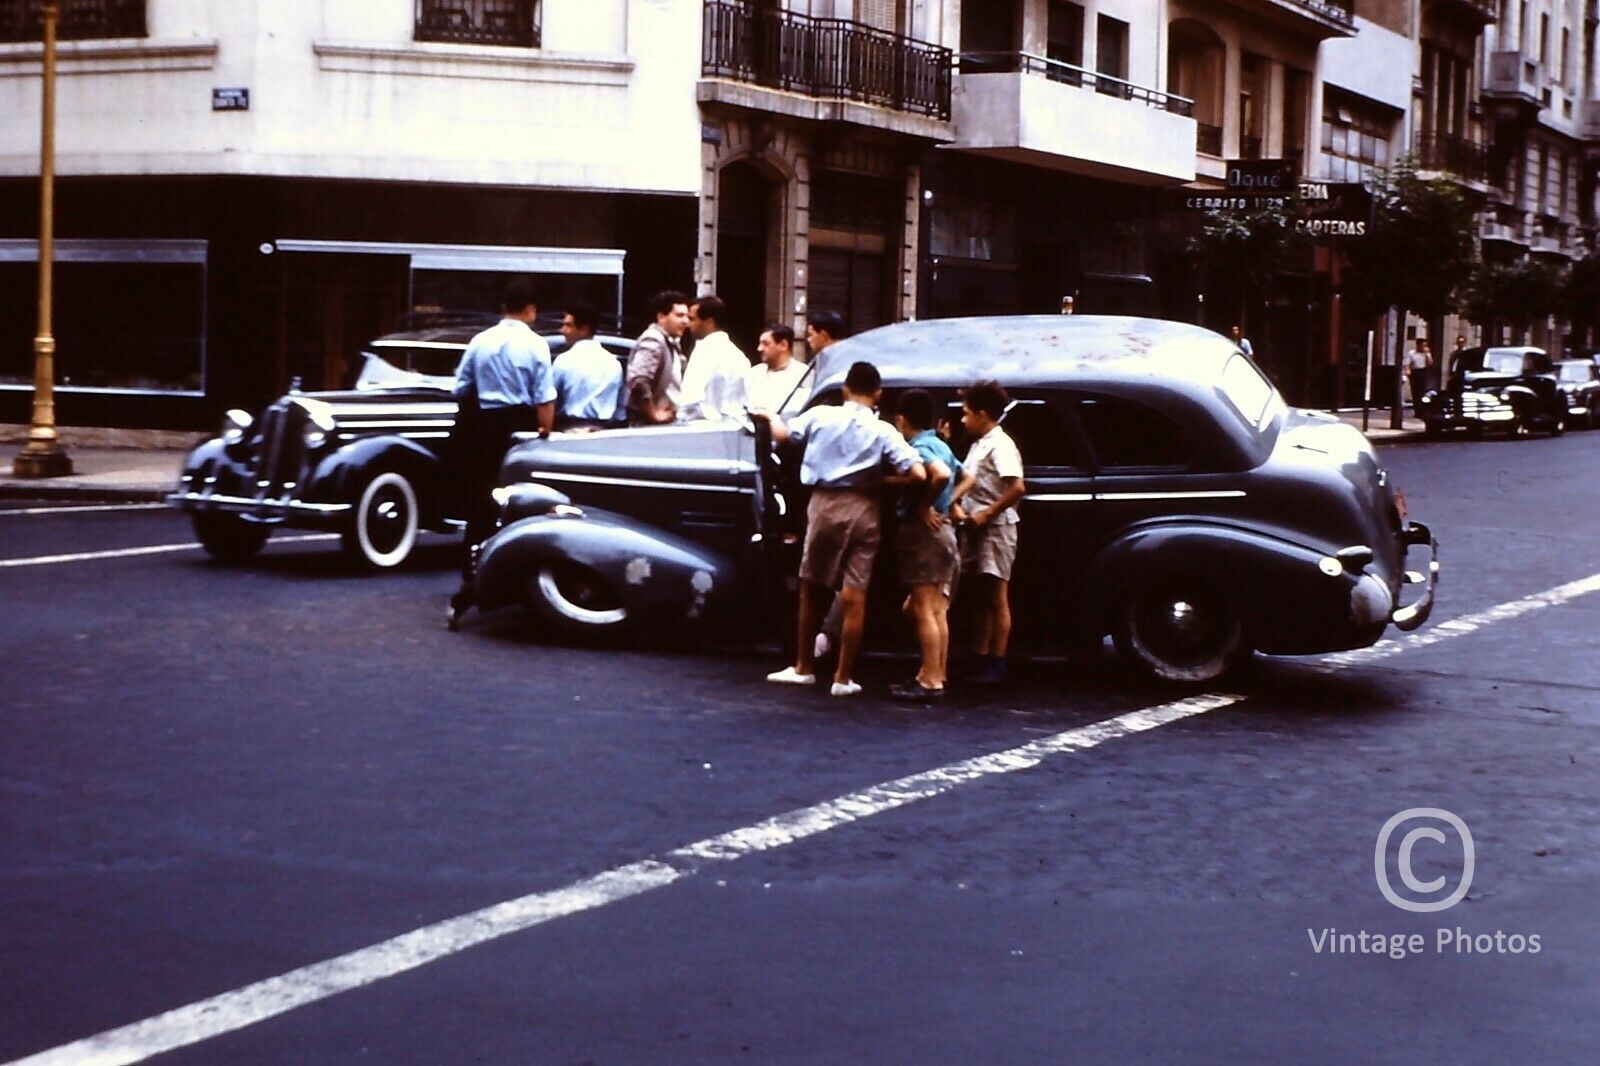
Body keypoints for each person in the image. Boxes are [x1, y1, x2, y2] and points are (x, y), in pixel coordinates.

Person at [753, 361, 925, 697]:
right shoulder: (885, 430)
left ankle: (803, 667)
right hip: (865, 506)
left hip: (824, 504)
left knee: (810, 588)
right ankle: (843, 678)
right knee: (854, 596)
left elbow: (784, 437)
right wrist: (883, 482)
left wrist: (770, 416)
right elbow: (917, 473)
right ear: (878, 395)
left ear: (845, 389)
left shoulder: (821, 416)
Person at [447, 282, 557, 629]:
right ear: (530, 310)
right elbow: (544, 396)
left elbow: (460, 388)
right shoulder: (536, 344)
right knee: (522, 499)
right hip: (520, 425)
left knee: (482, 501)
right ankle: (516, 574)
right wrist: (544, 432)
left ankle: (471, 569)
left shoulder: (480, 341)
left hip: (483, 426)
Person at [949, 380, 1026, 685]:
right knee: (981, 595)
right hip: (975, 526)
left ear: (982, 414)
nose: (964, 420)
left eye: (967, 413)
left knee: (996, 595)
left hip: (995, 528)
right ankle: (980, 656)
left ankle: (997, 659)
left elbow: (1016, 486)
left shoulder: (1001, 444)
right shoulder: (979, 443)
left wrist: (988, 512)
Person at [886, 388, 960, 702]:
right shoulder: (940, 443)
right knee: (937, 609)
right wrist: (949, 505)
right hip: (944, 531)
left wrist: (924, 505)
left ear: (901, 419)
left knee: (923, 608)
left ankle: (930, 680)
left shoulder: (918, 446)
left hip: (923, 533)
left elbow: (941, 475)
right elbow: (961, 473)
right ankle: (935, 671)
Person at [678, 294, 751, 422]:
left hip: (704, 429)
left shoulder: (703, 351)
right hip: (734, 428)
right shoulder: (739, 355)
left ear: (709, 322)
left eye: (692, 319)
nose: (688, 324)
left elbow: (690, 398)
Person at [625, 290, 691, 425]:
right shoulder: (653, 339)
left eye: (687, 316)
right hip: (650, 426)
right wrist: (652, 413)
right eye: (679, 315)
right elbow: (638, 380)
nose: (685, 321)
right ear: (661, 317)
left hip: (665, 422)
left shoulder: (671, 342)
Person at [552, 303, 621, 427]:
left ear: (584, 329)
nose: (562, 330)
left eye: (568, 325)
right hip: (606, 430)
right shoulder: (613, 363)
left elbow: (551, 399)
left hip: (570, 428)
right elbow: (620, 409)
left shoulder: (564, 361)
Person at [744, 323, 810, 416]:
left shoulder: (803, 374)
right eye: (760, 344)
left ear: (783, 345)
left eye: (765, 344)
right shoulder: (754, 373)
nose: (759, 348)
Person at [1405, 337, 1434, 407]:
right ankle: (1416, 407)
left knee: (1422, 391)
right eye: (1423, 345)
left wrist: (1427, 354)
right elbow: (1407, 364)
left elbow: (1430, 363)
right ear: (1418, 345)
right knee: (1415, 391)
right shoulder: (1412, 353)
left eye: (1425, 345)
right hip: (1415, 372)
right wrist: (1408, 372)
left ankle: (1422, 407)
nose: (1424, 347)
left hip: (1423, 372)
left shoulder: (1426, 354)